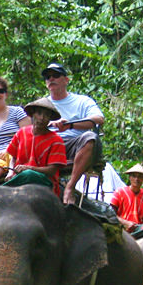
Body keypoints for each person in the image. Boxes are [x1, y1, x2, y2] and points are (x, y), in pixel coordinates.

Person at [42, 62, 104, 204]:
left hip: (73, 145)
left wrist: (69, 125)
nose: (51, 79)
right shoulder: (42, 104)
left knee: (90, 137)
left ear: (66, 80)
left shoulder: (82, 101)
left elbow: (99, 119)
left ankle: (70, 186)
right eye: (47, 77)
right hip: (47, 146)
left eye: (56, 75)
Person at [3, 97, 67, 198]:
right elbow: (13, 156)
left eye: (46, 115)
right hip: (20, 177)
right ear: (33, 113)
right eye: (39, 113)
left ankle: (4, 193)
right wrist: (10, 172)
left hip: (44, 181)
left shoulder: (56, 140)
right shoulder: (21, 133)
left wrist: (29, 168)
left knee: (29, 174)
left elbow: (52, 171)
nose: (42, 118)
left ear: (50, 118)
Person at [111, 163, 143, 232]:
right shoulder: (119, 192)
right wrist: (125, 223)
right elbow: (111, 213)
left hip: (138, 228)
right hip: (121, 227)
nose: (136, 179)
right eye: (134, 176)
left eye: (140, 177)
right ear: (129, 177)